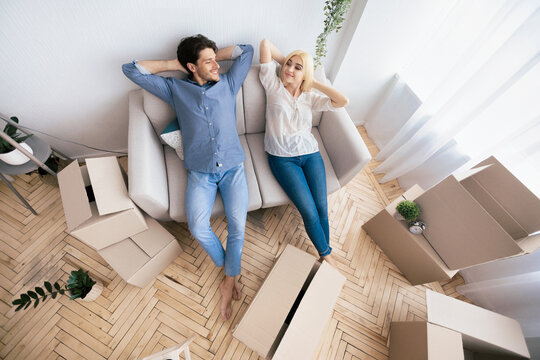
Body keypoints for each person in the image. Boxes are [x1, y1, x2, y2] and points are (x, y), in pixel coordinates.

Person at [122, 35, 253, 320]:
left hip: (233, 168)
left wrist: (214, 54)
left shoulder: (229, 83)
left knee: (238, 227)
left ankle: (229, 281)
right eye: (208, 61)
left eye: (216, 59)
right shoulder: (175, 89)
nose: (217, 65)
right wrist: (174, 64)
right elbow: (131, 69)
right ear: (192, 66)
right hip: (200, 173)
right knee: (197, 225)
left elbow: (247, 51)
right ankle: (227, 270)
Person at [258, 39, 348, 267]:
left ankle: (324, 254)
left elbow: (342, 101)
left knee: (321, 208)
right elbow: (266, 44)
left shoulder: (310, 97)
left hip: (310, 154)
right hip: (282, 159)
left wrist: (312, 80)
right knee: (308, 211)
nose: (289, 69)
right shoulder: (272, 84)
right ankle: (327, 255)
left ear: (305, 75)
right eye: (288, 64)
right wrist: (288, 63)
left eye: (297, 68)